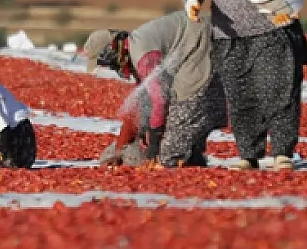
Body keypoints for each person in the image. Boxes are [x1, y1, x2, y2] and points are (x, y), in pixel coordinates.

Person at [181, 0, 307, 171]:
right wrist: (192, 4)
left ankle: (282, 152)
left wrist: (287, 11)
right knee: (241, 97)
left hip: (271, 32)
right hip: (228, 38)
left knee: (278, 91)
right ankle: (249, 154)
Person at [83, 10, 222, 168]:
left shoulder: (143, 56)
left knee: (169, 155)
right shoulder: (135, 51)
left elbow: (159, 100)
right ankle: (189, 149)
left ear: (113, 50)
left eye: (107, 62)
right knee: (167, 127)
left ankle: (186, 149)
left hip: (201, 39)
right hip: (196, 40)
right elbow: (139, 104)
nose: (111, 67)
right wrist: (120, 149)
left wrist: (153, 148)